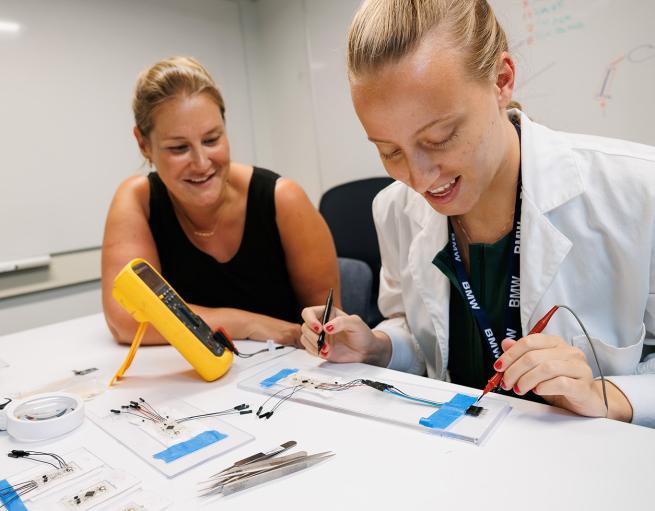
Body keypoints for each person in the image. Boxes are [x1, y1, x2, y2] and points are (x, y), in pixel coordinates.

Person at [300, 0, 655, 427]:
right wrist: (378, 347)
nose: (417, 177)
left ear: (502, 80)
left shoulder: (637, 191)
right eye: (388, 150)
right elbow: (420, 334)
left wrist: (608, 395)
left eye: (440, 137)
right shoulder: (394, 208)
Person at [102, 56, 339, 346]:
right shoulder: (138, 200)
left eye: (212, 139)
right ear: (143, 144)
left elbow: (330, 329)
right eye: (178, 148)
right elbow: (126, 319)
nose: (202, 163)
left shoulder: (283, 200)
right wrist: (251, 323)